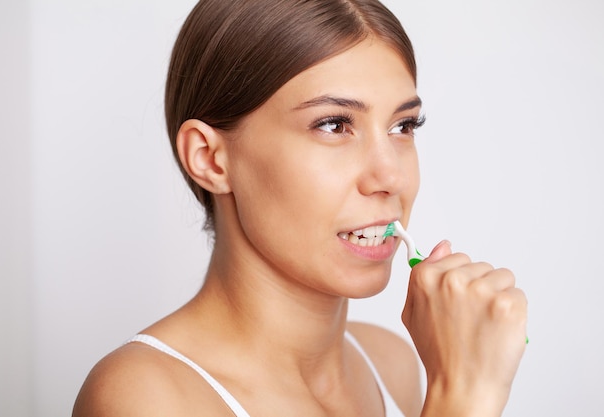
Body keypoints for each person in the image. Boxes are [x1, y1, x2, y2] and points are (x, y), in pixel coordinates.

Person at [73, 0, 528, 416]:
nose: (390, 177)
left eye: (403, 125)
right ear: (210, 159)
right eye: (333, 125)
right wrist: (464, 396)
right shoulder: (144, 396)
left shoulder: (393, 365)